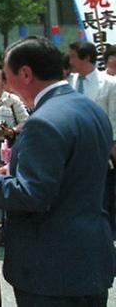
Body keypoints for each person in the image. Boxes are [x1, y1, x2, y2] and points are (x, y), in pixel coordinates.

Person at [0, 37, 114, 306]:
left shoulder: (42, 122)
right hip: (90, 258)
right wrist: (17, 168)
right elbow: (72, 169)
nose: (6, 82)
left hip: (51, 266)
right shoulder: (91, 109)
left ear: (25, 73)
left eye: (7, 74)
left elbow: (32, 195)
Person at [67, 40, 116, 236]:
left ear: (86, 58)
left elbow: (113, 117)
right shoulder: (68, 82)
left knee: (101, 196)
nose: (69, 60)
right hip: (72, 148)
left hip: (99, 148)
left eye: (72, 56)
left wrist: (113, 145)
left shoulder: (109, 83)